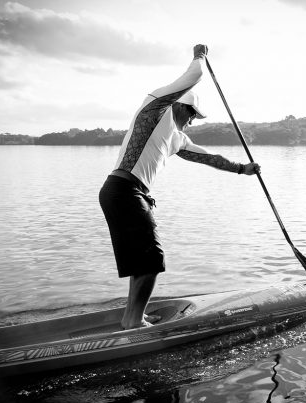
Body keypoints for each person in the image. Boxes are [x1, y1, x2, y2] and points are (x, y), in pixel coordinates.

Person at [99, 44, 260, 329]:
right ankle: (133, 322)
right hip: (123, 190)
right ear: (181, 105)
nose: (193, 120)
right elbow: (193, 76)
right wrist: (200, 56)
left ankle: (134, 315)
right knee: (151, 260)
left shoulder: (177, 138)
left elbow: (209, 157)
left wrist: (241, 169)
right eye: (193, 114)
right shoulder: (154, 111)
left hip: (127, 193)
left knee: (143, 261)